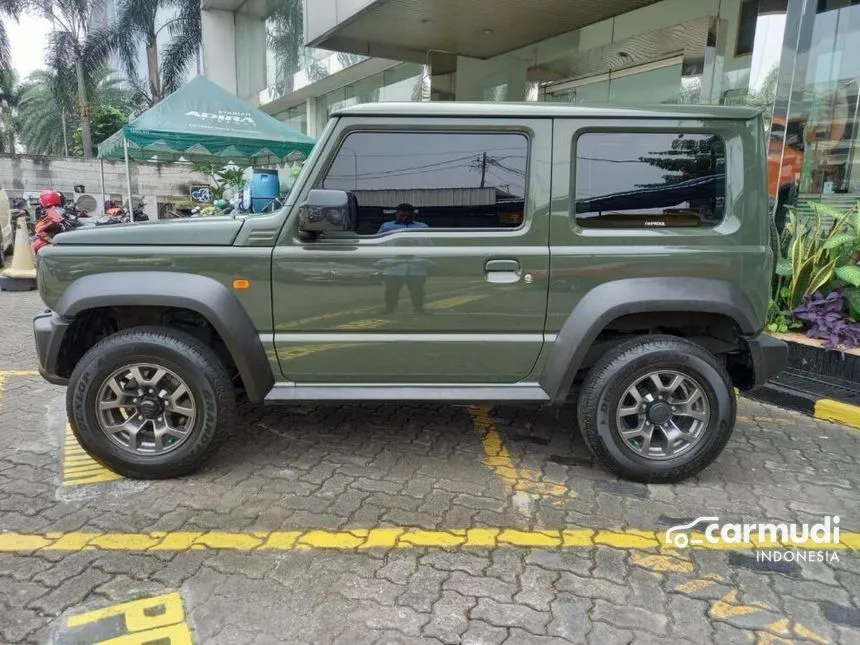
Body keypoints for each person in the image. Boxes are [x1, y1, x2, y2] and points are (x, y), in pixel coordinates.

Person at [376, 204, 430, 314]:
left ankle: (419, 309)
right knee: (391, 290)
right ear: (396, 214)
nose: (405, 218)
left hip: (416, 264)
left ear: (413, 215)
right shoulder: (386, 227)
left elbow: (429, 245)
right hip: (394, 264)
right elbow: (378, 244)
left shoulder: (423, 227)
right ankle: (389, 309)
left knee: (418, 291)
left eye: (408, 216)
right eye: (402, 215)